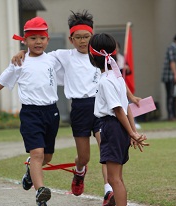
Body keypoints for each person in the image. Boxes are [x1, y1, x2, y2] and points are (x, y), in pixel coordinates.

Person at [11, 11, 141, 205]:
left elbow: (117, 80)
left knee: (104, 149)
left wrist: (131, 97)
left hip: (100, 108)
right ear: (71, 38)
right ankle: (79, 171)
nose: (82, 41)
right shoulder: (62, 56)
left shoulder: (100, 58)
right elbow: (37, 55)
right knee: (84, 157)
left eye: (86, 37)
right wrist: (22, 53)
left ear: (92, 36)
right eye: (78, 37)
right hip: (79, 109)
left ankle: (108, 192)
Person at [0, 17, 63, 206]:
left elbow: (78, 56)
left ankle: (29, 174)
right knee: (38, 153)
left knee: (46, 157)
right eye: (33, 39)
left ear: (48, 39)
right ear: (25, 40)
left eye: (42, 38)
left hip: (52, 113)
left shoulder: (54, 59)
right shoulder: (19, 62)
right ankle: (40, 193)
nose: (38, 42)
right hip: (31, 114)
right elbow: (1, 80)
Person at [88, 33, 149, 206]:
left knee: (114, 179)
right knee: (117, 177)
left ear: (92, 56)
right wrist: (132, 131)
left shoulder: (105, 81)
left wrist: (132, 132)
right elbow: (126, 106)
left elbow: (118, 109)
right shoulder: (117, 77)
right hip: (119, 128)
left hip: (111, 127)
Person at [116, 42, 141, 130]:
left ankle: (133, 122)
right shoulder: (109, 59)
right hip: (115, 86)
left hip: (123, 85)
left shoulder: (122, 58)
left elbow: (128, 71)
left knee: (128, 103)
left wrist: (126, 69)